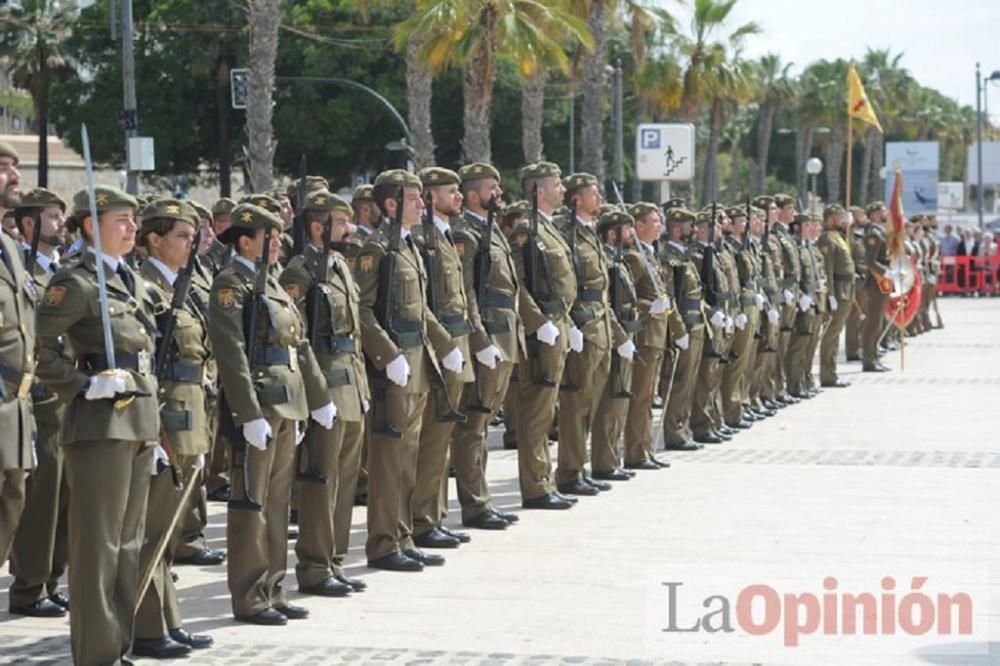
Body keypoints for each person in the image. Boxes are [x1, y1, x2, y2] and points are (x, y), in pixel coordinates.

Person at [35, 185, 159, 665]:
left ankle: (117, 646)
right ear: (91, 226)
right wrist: (82, 385)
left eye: (133, 221)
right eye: (121, 221)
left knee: (128, 544)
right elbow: (40, 350)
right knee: (98, 546)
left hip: (139, 418)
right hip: (101, 424)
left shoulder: (130, 279)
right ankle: (94, 653)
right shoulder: (77, 283)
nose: (132, 229)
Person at [209, 202, 333, 625]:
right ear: (245, 241)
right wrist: (248, 413)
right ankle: (249, 594)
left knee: (278, 502)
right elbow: (231, 352)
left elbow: (299, 347)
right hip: (260, 405)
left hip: (287, 403)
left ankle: (274, 589)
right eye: (270, 235)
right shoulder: (231, 283)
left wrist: (317, 399)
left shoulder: (274, 284)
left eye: (280, 235)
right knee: (251, 502)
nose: (278, 241)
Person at [356, 169, 452, 571]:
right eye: (413, 198)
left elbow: (421, 309)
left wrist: (445, 346)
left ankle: (402, 533)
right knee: (389, 459)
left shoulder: (408, 246)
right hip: (393, 366)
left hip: (417, 363)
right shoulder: (376, 249)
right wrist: (387, 354)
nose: (421, 204)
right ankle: (382, 541)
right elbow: (361, 308)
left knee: (408, 456)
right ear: (391, 205)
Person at [132, 198, 215, 658]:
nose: (191, 243)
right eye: (182, 236)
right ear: (155, 240)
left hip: (190, 413)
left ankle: (168, 619)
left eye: (192, 235)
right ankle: (147, 628)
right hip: (163, 417)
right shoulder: (145, 287)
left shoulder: (184, 283)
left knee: (168, 530)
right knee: (152, 530)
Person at [280, 190, 370, 596]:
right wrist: (316, 397)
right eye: (340, 222)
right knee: (322, 478)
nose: (349, 229)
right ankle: (315, 566)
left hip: (351, 380)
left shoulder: (341, 267)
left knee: (346, 477)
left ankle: (334, 558)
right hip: (324, 383)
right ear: (318, 227)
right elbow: (297, 340)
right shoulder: (299, 273)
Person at [7, 187, 71, 619]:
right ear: (28, 224)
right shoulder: (22, 268)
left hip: (67, 398)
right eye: (51, 217)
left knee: (66, 496)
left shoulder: (64, 271)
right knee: (42, 497)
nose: (59, 225)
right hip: (38, 397)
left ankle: (51, 578)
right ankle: (30, 586)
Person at [449, 162, 522, 530]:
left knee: (484, 420)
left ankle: (482, 499)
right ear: (474, 195)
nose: (499, 194)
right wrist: (479, 341)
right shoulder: (466, 234)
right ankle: (475, 504)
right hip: (488, 336)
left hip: (505, 336)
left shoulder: (490, 230)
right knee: (473, 423)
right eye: (492, 189)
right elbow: (467, 293)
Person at [410, 167, 475, 548]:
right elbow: (423, 302)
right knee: (433, 439)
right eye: (452, 192)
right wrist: (445, 345)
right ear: (432, 197)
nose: (459, 197)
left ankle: (434, 515)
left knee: (443, 437)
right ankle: (422, 519)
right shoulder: (422, 238)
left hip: (455, 341)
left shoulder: (445, 236)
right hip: (437, 347)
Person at [508, 162, 578, 510]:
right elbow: (517, 285)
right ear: (538, 191)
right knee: (536, 412)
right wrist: (537, 323)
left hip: (559, 326)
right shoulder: (527, 230)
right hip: (542, 334)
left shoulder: (549, 229)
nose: (562, 189)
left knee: (548, 409)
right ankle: (536, 488)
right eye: (556, 183)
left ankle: (545, 481)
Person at [553, 173, 625, 496]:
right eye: (593, 193)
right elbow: (564, 286)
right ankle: (569, 471)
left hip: (600, 326)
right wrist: (571, 325)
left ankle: (579, 467)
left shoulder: (589, 234)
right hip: (583, 324)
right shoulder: (566, 233)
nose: (599, 198)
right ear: (577, 199)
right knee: (575, 403)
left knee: (590, 403)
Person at [622, 202, 685, 469]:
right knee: (641, 396)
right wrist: (649, 307)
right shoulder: (635, 257)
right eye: (655, 221)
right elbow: (626, 299)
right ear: (639, 226)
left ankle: (645, 449)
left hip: (658, 336)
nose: (660, 225)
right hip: (645, 337)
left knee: (648, 397)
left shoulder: (651, 254)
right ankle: (636, 452)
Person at [0, 139, 34, 569]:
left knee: (13, 497)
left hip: (15, 402)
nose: (15, 177)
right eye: (5, 167)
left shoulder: (9, 246)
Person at [658, 206, 705, 451]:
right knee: (677, 382)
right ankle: (674, 431)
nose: (694, 230)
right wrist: (677, 331)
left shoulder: (685, 255)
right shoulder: (668, 258)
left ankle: (682, 427)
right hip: (683, 327)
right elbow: (669, 298)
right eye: (689, 226)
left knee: (689, 382)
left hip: (695, 324)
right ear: (677, 229)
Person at [817, 205, 854, 388]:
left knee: (836, 333)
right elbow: (828, 269)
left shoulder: (838, 236)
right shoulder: (826, 239)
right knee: (831, 334)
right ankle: (827, 375)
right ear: (830, 218)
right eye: (840, 217)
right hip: (838, 290)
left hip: (846, 289)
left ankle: (832, 372)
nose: (843, 220)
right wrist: (830, 295)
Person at [861, 201, 891, 372]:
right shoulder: (873, 233)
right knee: (873, 323)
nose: (884, 213)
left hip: (882, 282)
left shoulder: (881, 231)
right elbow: (870, 261)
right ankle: (869, 360)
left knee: (878, 322)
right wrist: (885, 272)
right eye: (881, 211)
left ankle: (874, 357)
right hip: (875, 283)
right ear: (873, 214)